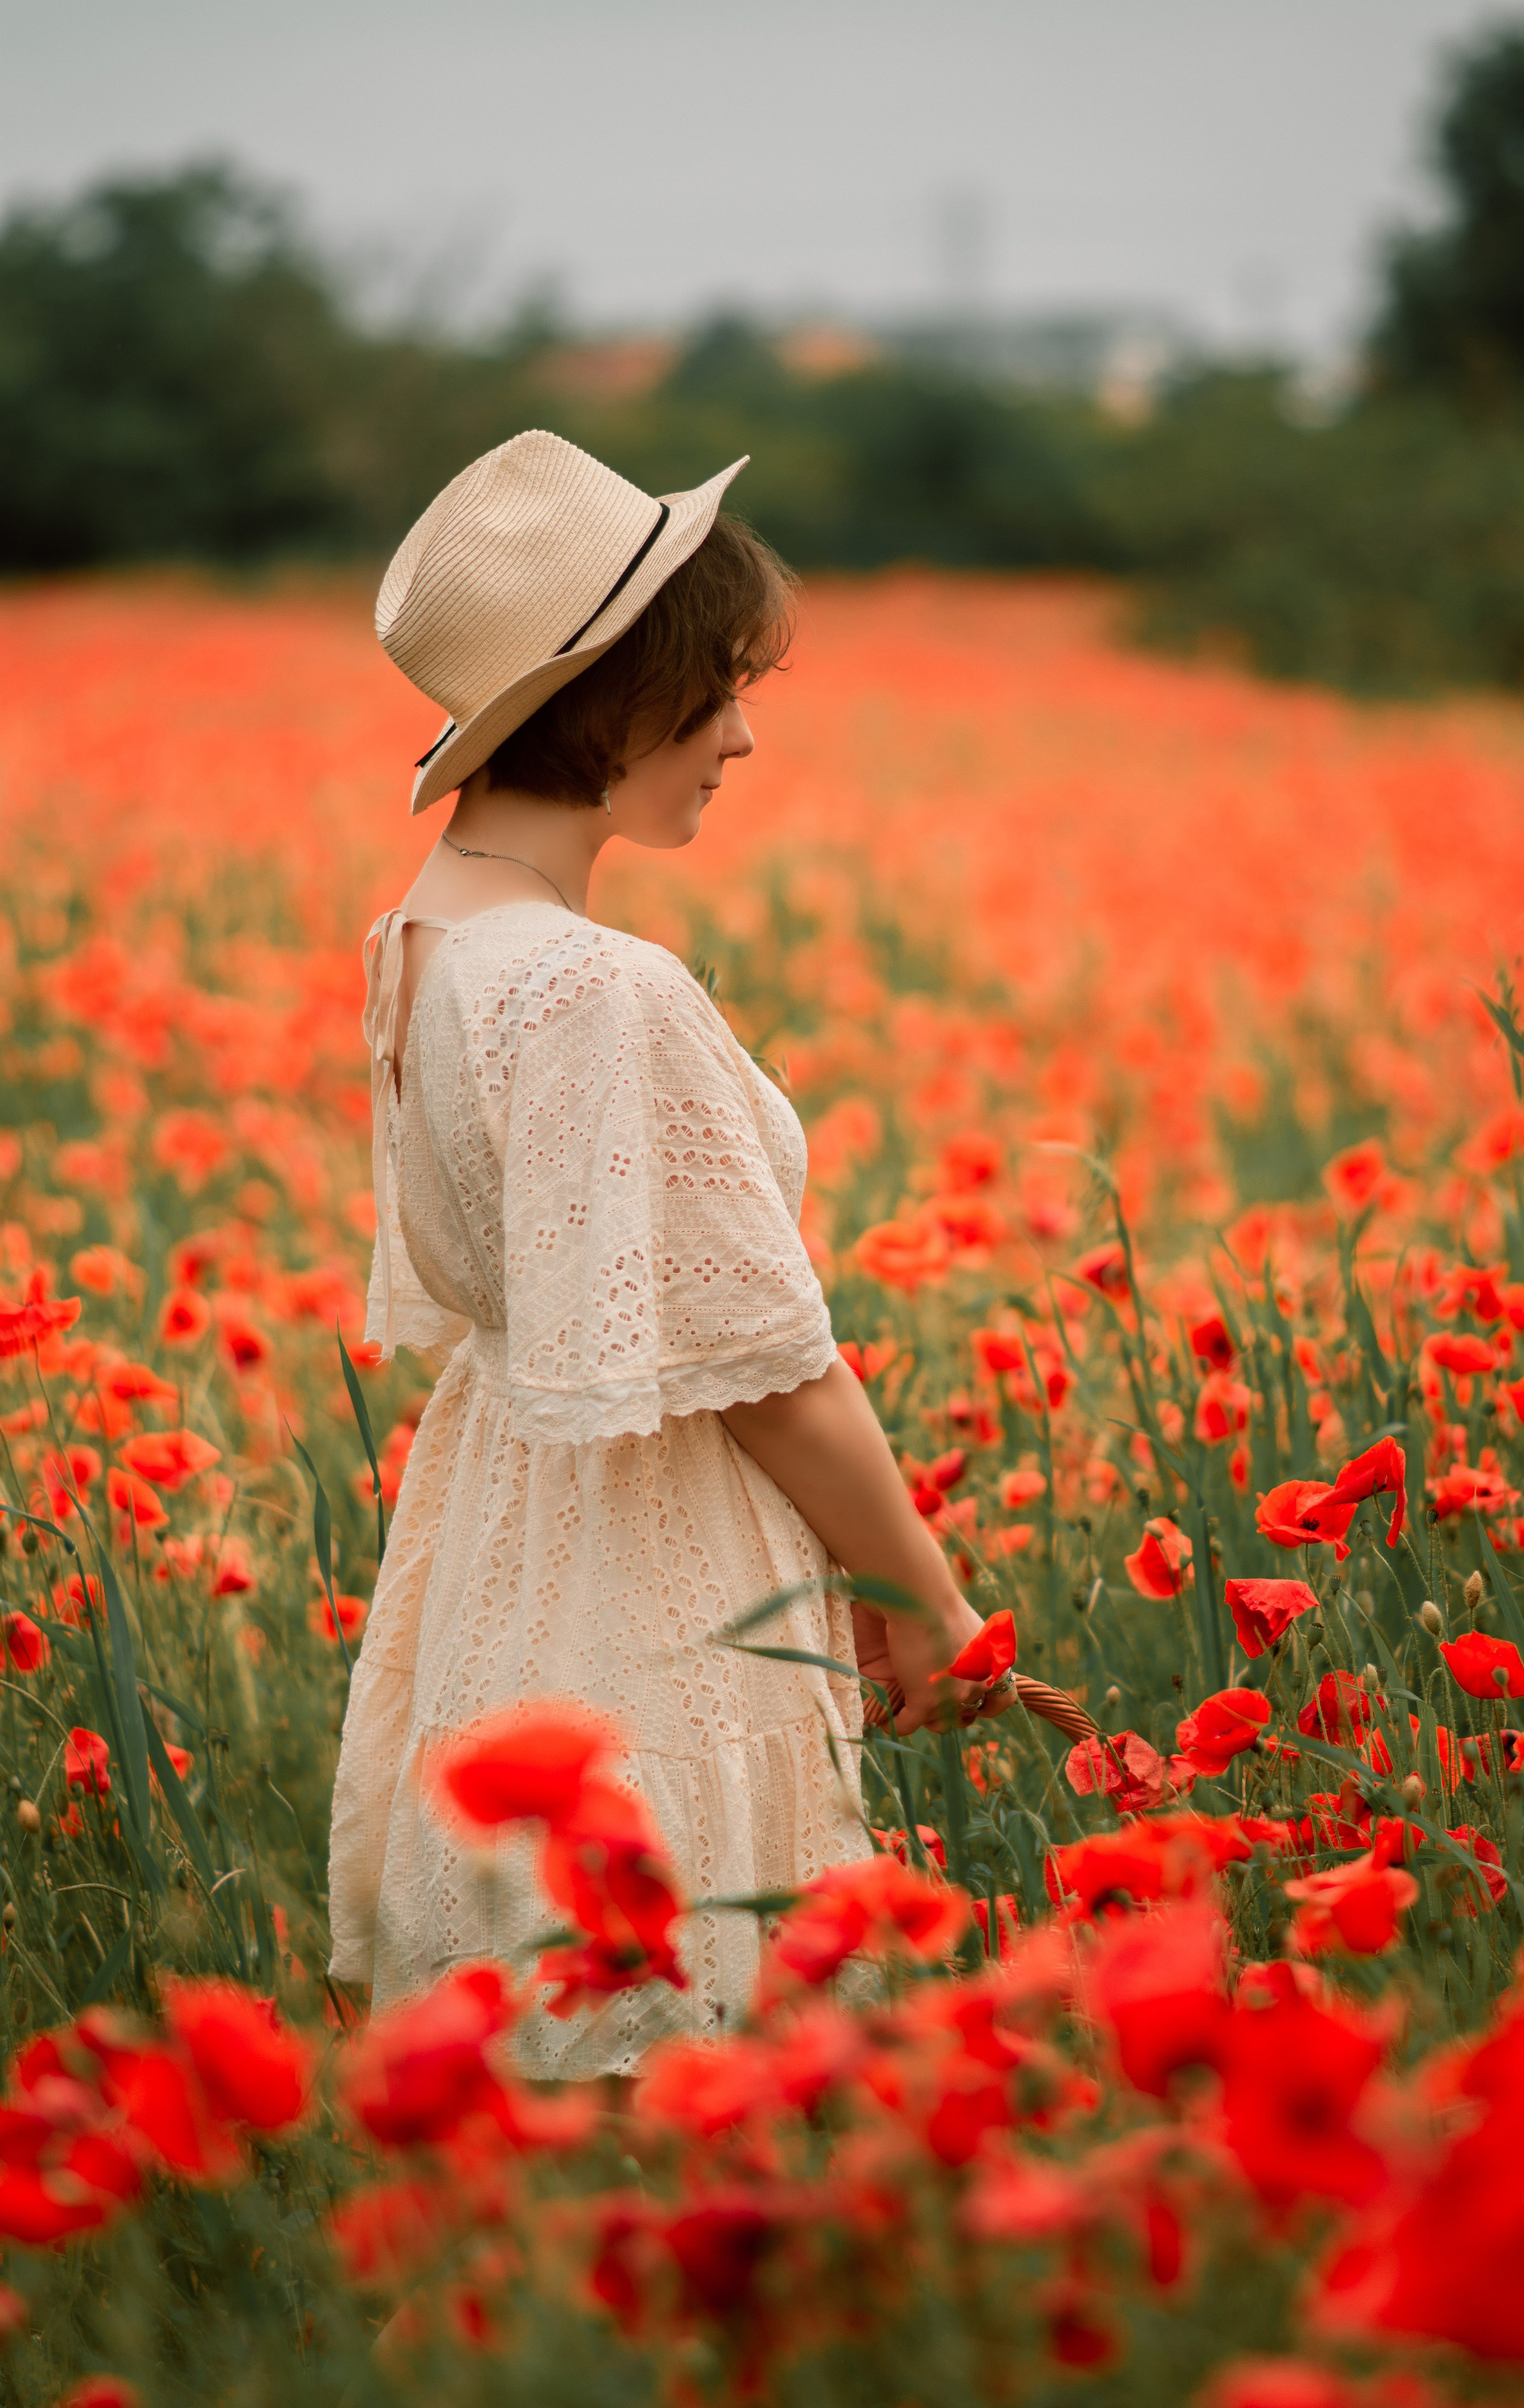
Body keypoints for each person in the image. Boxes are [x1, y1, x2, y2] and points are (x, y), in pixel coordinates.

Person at [326, 430, 1014, 2076]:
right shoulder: (592, 990)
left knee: (555, 2063)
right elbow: (772, 1373)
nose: (742, 733)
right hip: (642, 1566)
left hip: (510, 1541)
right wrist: (923, 1599)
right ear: (612, 697)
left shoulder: (426, 941)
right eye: (713, 689)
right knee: (683, 2050)